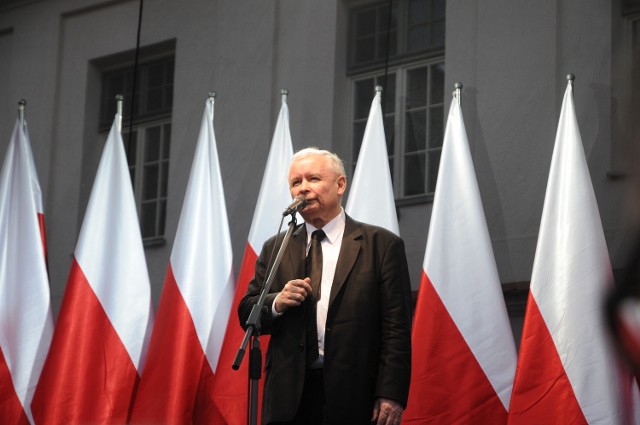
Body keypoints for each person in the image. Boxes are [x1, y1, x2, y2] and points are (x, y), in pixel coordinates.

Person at [238, 147, 412, 425]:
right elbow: (247, 311)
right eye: (296, 183)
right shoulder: (276, 247)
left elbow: (396, 329)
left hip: (355, 394)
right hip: (288, 397)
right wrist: (276, 303)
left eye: (313, 179)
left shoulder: (381, 245)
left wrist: (391, 393)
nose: (303, 189)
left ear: (340, 184)